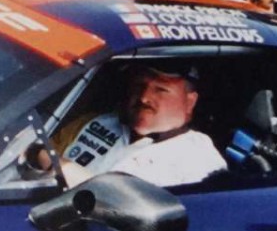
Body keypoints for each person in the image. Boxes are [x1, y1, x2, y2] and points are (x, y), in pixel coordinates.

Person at [52, 65, 227, 189]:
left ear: (190, 102)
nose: (144, 97)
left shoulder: (200, 163)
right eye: (139, 86)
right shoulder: (93, 122)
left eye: (161, 89)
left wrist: (46, 159)